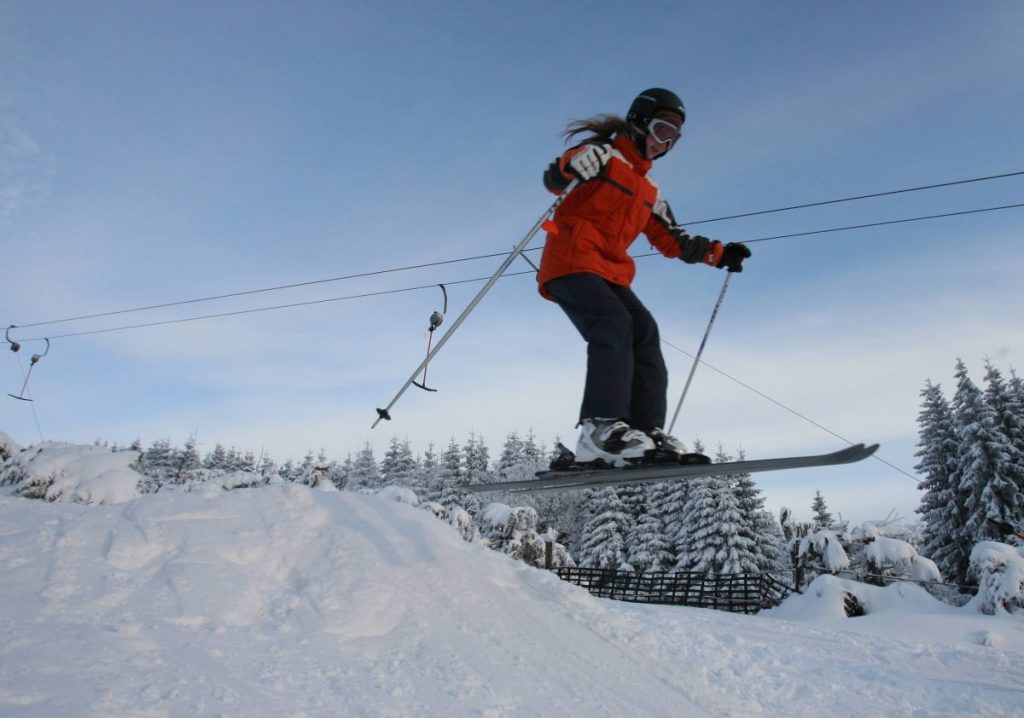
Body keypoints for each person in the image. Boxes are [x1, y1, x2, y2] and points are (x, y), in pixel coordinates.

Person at [537, 88, 751, 467]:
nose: (664, 143)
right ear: (638, 122)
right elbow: (557, 177)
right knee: (613, 323)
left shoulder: (649, 191)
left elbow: (673, 239)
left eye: (673, 137)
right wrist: (579, 161)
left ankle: (644, 431)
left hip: (612, 273)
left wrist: (719, 253)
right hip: (571, 262)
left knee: (644, 331)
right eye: (661, 129)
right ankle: (600, 428)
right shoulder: (602, 155)